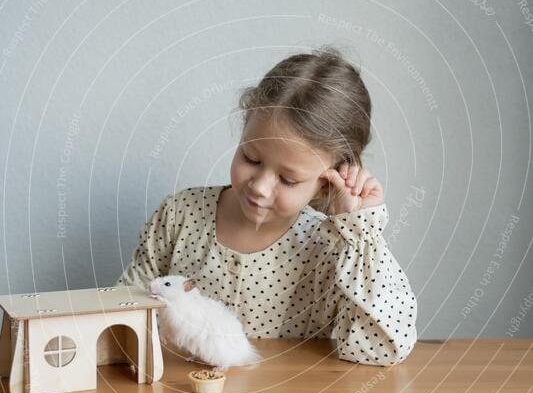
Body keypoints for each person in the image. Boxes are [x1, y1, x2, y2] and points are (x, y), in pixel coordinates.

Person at [115, 46, 417, 365]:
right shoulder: (180, 216)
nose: (259, 186)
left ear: (329, 181)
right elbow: (121, 317)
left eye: (288, 179)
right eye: (251, 158)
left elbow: (381, 349)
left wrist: (359, 231)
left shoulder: (330, 247)